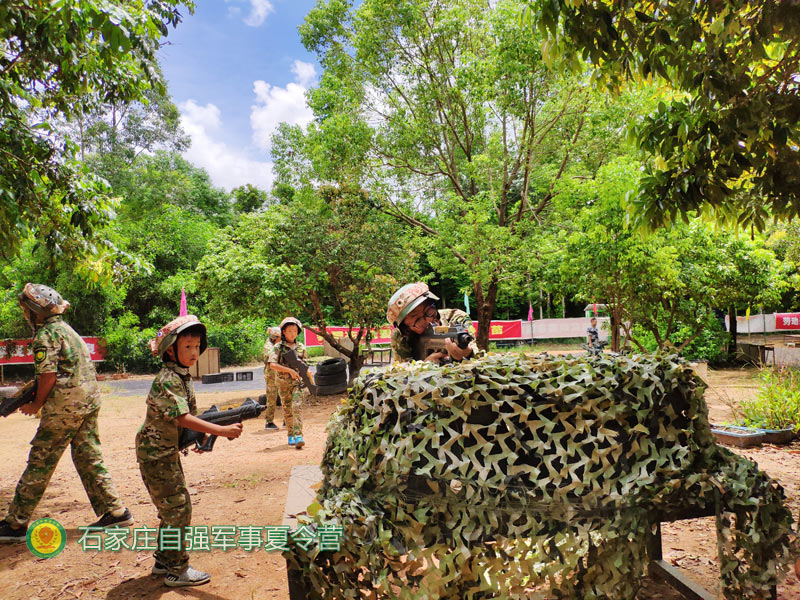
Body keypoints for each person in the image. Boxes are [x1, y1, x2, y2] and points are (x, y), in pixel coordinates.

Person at [0, 284, 133, 543]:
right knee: (89, 457)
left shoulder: (45, 336)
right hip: (88, 403)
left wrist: (35, 405)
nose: (25, 314)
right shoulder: (68, 331)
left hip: (65, 408)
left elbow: (48, 377)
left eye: (26, 310)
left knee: (41, 461)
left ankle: (15, 524)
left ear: (35, 312)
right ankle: (115, 512)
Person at [136, 315, 243, 587]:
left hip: (163, 451)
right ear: (170, 350)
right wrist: (221, 430)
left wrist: (200, 437)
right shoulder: (169, 379)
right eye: (187, 347)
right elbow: (183, 418)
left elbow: (185, 420)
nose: (194, 352)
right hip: (156, 454)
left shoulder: (182, 375)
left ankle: (164, 559)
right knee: (178, 509)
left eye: (197, 346)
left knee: (171, 508)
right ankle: (178, 570)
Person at [387, 282, 480, 364]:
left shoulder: (457, 317)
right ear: (406, 329)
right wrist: (424, 366)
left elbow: (479, 354)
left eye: (429, 311)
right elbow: (402, 371)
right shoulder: (400, 336)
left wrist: (468, 353)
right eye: (417, 320)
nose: (428, 320)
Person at [268, 317, 307, 449]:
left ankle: (299, 435)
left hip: (297, 382)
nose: (292, 333)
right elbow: (272, 365)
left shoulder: (301, 347)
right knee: (287, 408)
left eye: (295, 331)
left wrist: (308, 374)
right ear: (283, 332)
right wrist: (289, 370)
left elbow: (304, 364)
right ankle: (290, 433)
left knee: (297, 407)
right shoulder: (277, 347)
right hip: (283, 383)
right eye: (289, 330)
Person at [263, 326, 281, 431]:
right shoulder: (268, 346)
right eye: (279, 337)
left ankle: (286, 420)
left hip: (280, 373)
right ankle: (269, 422)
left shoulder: (278, 344)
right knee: (271, 398)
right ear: (274, 337)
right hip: (271, 375)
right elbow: (272, 355)